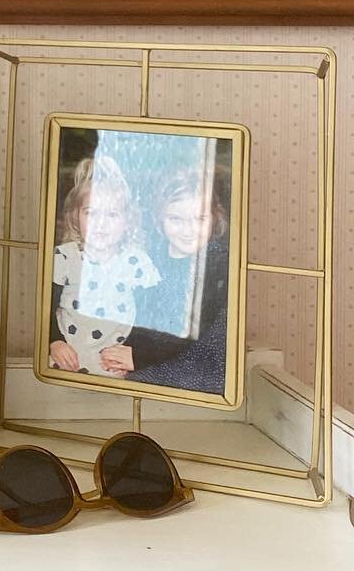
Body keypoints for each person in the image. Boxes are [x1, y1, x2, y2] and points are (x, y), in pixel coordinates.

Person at [98, 165, 232, 396]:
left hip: (198, 366)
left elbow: (191, 324)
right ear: (159, 219)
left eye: (199, 218)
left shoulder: (216, 262)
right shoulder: (153, 257)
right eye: (175, 218)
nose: (188, 230)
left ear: (215, 216)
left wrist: (139, 357)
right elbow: (140, 313)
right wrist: (125, 349)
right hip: (154, 352)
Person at [47, 154, 161, 376]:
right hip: (67, 359)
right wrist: (54, 342)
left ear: (128, 222)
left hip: (115, 363)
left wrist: (133, 349)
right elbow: (45, 308)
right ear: (74, 217)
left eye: (112, 214)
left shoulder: (136, 261)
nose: (101, 224)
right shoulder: (65, 257)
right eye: (91, 213)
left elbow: (151, 315)